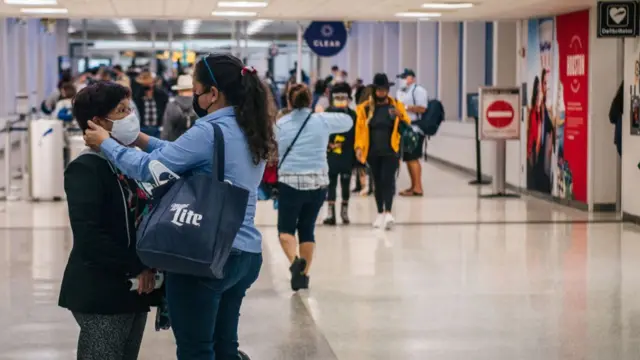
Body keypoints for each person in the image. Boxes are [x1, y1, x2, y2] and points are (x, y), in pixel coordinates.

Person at [83, 53, 272, 360]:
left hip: (205, 256)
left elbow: (150, 170)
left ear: (213, 93)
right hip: (245, 254)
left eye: (197, 90)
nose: (194, 97)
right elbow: (182, 154)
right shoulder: (251, 127)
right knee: (225, 349)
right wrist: (140, 138)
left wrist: (107, 143)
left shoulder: (209, 130)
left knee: (196, 351)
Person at [59, 81, 159, 360]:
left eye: (130, 108)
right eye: (121, 110)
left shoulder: (125, 163)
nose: (130, 117)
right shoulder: (86, 168)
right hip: (102, 289)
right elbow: (90, 236)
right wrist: (136, 266)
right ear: (98, 122)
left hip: (132, 288)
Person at [275, 83, 352, 291]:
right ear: (310, 101)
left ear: (289, 102)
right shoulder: (322, 120)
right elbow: (348, 122)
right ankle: (304, 275)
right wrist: (322, 112)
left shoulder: (281, 123)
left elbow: (273, 148)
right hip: (318, 184)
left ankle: (294, 263)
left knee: (285, 231)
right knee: (307, 230)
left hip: (290, 183)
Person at [355, 74, 410, 230]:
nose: (381, 92)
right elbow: (359, 130)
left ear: (387, 90)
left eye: (384, 89)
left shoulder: (395, 106)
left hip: (391, 150)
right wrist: (358, 147)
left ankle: (388, 212)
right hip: (372, 151)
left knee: (388, 180)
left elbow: (407, 124)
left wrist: (401, 116)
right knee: (377, 182)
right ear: (374, 90)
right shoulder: (365, 108)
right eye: (378, 90)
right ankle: (380, 213)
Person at [322, 82, 356, 226]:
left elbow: (355, 135)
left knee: (346, 183)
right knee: (331, 183)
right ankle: (331, 213)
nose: (341, 100)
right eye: (338, 97)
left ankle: (344, 211)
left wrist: (344, 144)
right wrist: (328, 144)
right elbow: (322, 131)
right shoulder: (328, 113)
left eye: (344, 97)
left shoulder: (353, 114)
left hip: (347, 154)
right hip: (331, 155)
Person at [396, 69, 427, 196]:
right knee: (408, 158)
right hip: (406, 129)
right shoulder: (404, 92)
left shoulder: (419, 90)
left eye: (405, 77)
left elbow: (422, 108)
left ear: (412, 78)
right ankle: (413, 186)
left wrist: (405, 108)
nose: (402, 80)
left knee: (413, 158)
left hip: (415, 129)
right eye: (401, 77)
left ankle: (418, 188)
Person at [161, 74, 197, 141]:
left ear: (178, 90)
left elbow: (166, 131)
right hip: (194, 145)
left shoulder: (171, 105)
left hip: (175, 145)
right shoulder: (199, 105)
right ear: (192, 89)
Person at [132, 71, 169, 137]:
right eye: (145, 84)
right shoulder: (138, 96)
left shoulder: (161, 95)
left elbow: (165, 110)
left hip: (157, 128)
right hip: (143, 128)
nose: (148, 86)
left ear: (153, 83)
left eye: (149, 83)